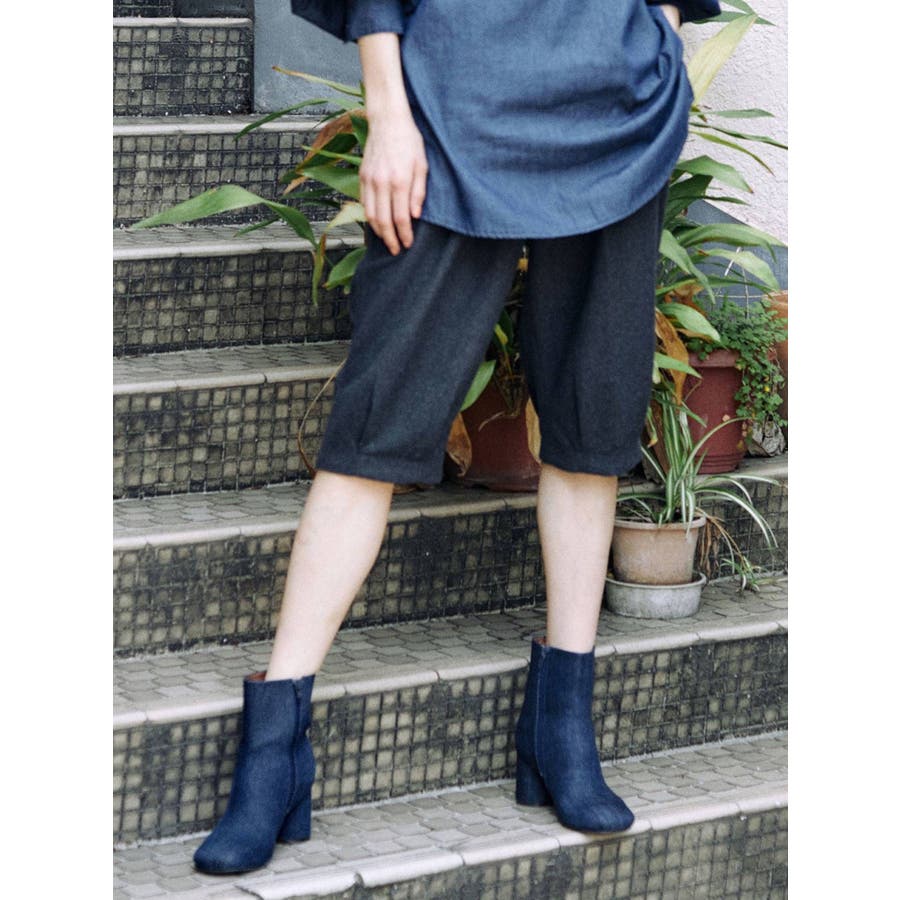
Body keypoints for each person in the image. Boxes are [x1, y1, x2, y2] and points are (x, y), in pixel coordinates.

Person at [193, 0, 721, 875]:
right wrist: (388, 112)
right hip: (447, 107)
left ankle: (562, 730)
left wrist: (661, 27)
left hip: (616, 116)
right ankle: (273, 752)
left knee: (590, 422)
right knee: (374, 426)